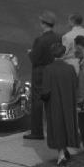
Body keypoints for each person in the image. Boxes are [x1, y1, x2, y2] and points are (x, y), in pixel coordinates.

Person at [24, 11, 60, 139]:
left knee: (37, 101)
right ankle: (54, 129)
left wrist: (30, 52)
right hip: (53, 70)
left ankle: (37, 132)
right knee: (51, 101)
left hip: (40, 72)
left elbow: (35, 58)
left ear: (44, 24)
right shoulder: (57, 37)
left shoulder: (40, 40)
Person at [43, 42, 80, 166]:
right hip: (68, 103)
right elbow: (75, 85)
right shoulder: (70, 69)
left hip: (55, 104)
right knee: (67, 125)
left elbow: (46, 90)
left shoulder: (48, 69)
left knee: (57, 127)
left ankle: (61, 154)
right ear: (63, 54)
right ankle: (64, 150)